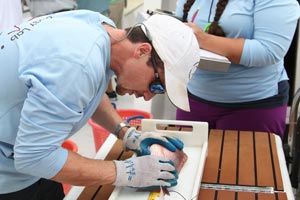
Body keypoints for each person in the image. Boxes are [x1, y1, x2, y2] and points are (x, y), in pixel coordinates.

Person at [0, 10, 200, 199]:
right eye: (156, 85)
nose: (148, 97)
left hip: (27, 159)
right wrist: (125, 171)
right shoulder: (78, 65)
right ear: (142, 51)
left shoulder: (100, 29)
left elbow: (90, 91)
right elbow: (34, 158)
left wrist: (126, 133)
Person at [175, 0, 300, 138]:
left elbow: (268, 51)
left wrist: (203, 39)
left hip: (252, 106)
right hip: (192, 99)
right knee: (188, 158)